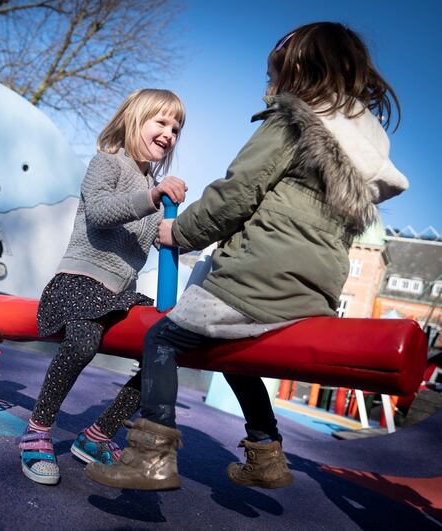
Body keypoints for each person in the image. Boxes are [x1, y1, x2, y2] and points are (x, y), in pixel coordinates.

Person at [86, 21, 409, 491]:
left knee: (162, 341)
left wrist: (179, 233)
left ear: (297, 70)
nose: (268, 86)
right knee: (231, 353)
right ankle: (266, 455)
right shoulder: (358, 153)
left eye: (273, 74)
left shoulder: (293, 123)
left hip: (260, 279)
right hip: (315, 293)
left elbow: (236, 194)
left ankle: (149, 456)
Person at [19, 88, 188, 485]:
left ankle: (97, 435)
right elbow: (99, 212)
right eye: (161, 122)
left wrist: (188, 228)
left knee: (166, 350)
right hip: (80, 279)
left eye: (176, 128)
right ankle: (37, 430)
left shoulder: (155, 189)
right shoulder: (107, 163)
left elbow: (165, 237)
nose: (169, 134)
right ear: (134, 120)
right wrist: (151, 196)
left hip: (119, 294)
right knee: (81, 342)